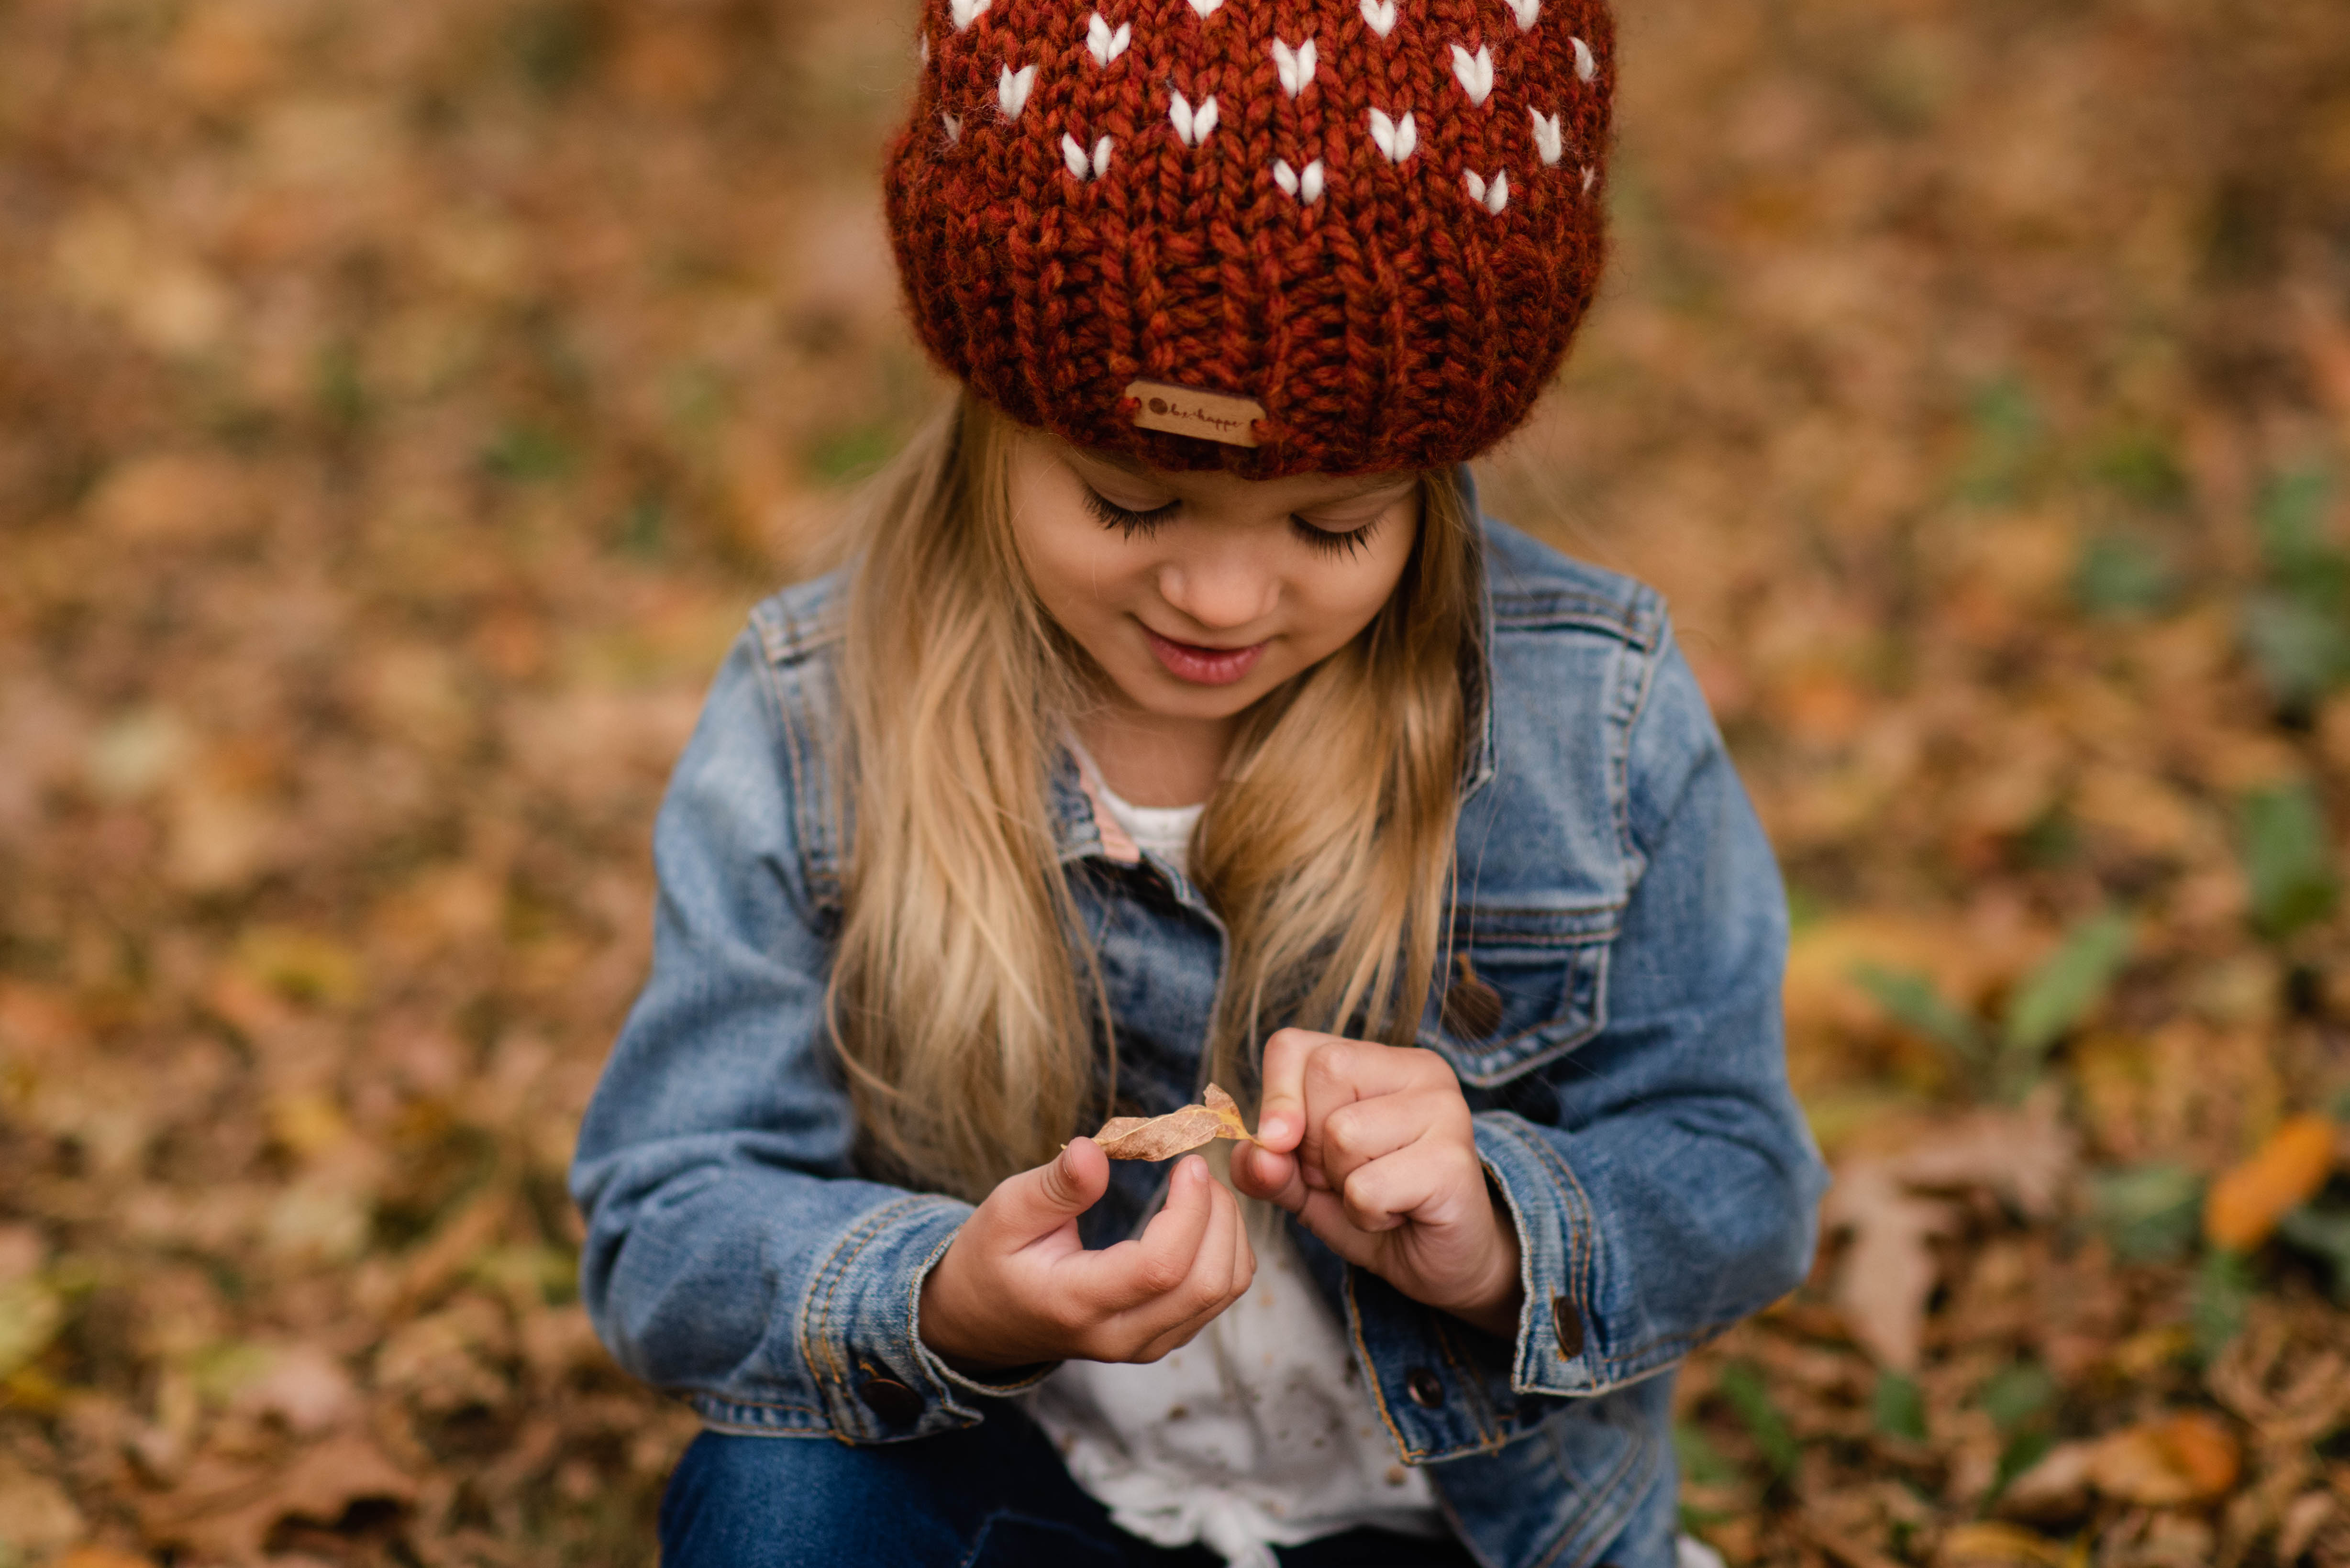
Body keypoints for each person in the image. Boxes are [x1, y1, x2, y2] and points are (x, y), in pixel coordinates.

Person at [571, 0, 1827, 1563]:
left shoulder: (1591, 706)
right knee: (780, 1507)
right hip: (1039, 1498)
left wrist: (1502, 1226)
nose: (1223, 600)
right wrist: (951, 1300)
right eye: (1131, 500)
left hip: (1455, 1530)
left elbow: (1738, 1166)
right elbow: (670, 1211)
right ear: (994, 412)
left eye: (1331, 526)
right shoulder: (817, 717)